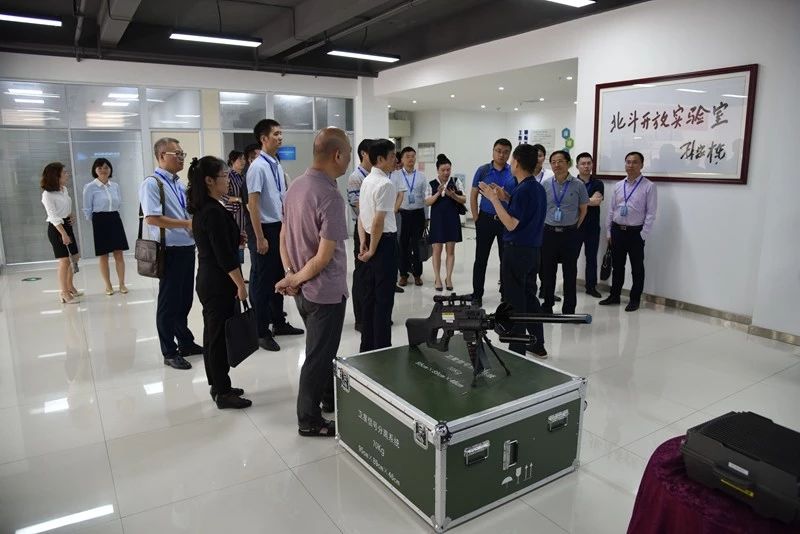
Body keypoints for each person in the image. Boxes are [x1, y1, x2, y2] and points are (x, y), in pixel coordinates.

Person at [276, 127, 351, 437]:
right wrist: (294, 277)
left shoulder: (296, 186)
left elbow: (283, 235)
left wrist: (290, 275)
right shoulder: (330, 196)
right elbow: (322, 258)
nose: (349, 159)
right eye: (348, 154)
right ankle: (308, 419)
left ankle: (327, 398)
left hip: (303, 291)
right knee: (318, 356)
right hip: (324, 292)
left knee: (320, 349)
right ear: (337, 155)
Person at [187, 156, 251, 409]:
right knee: (217, 338)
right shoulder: (212, 211)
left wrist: (236, 237)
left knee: (214, 336)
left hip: (210, 279)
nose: (228, 181)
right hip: (218, 282)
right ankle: (222, 392)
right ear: (209, 181)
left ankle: (219, 384)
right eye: (224, 176)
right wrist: (241, 285)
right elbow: (224, 257)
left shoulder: (208, 207)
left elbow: (220, 243)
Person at [478, 144, 547, 357]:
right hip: (533, 251)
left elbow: (510, 224)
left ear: (516, 162)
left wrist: (493, 199)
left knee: (515, 301)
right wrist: (506, 197)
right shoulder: (535, 187)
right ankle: (537, 343)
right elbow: (524, 212)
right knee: (530, 297)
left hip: (517, 251)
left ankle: (517, 351)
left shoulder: (524, 189)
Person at [139, 137, 201, 370]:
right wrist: (186, 224)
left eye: (182, 153)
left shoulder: (178, 183)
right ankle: (169, 351)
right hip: (169, 251)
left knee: (184, 300)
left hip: (186, 248)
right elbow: (152, 218)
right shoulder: (152, 184)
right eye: (178, 154)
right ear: (162, 156)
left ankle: (185, 342)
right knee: (168, 303)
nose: (182, 157)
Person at [246, 119, 304, 352]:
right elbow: (253, 204)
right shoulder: (257, 167)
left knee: (279, 277)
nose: (280, 137)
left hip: (279, 226)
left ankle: (279, 322)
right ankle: (261, 331)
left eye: (281, 133)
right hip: (265, 229)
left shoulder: (276, 164)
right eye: (276, 134)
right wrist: (259, 237)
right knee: (262, 283)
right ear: (264, 138)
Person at [600, 151, 657, 312]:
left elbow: (651, 213)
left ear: (641, 165)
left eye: (635, 162)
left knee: (637, 268)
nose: (631, 165)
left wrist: (643, 235)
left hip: (635, 233)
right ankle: (614, 296)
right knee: (617, 267)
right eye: (628, 162)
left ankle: (634, 299)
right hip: (617, 231)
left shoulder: (649, 186)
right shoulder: (619, 185)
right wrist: (609, 232)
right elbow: (611, 210)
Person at [357, 139, 399, 352]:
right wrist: (372, 249)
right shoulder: (385, 184)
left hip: (370, 239)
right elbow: (378, 221)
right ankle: (382, 349)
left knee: (370, 298)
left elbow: (361, 215)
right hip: (383, 244)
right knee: (383, 300)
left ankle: (367, 347)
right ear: (380, 159)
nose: (395, 160)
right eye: (392, 156)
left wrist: (363, 242)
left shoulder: (367, 180)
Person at [540, 151, 589, 315]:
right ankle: (547, 305)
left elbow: (583, 209)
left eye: (560, 161)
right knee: (548, 272)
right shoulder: (545, 184)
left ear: (568, 163)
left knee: (570, 272)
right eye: (553, 162)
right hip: (549, 233)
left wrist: (574, 227)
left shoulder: (578, 185)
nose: (556, 165)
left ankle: (569, 308)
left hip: (569, 234)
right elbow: (541, 208)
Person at [470, 138, 514, 306]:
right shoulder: (483, 170)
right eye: (498, 151)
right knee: (481, 259)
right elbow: (473, 195)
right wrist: (476, 218)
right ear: (493, 151)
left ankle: (505, 293)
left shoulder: (512, 172)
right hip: (485, 219)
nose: (501, 155)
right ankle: (477, 295)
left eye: (505, 152)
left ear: (509, 154)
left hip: (505, 221)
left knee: (506, 259)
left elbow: (514, 197)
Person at [81, 158, 129, 296]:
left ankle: (122, 284)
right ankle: (108, 285)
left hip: (114, 218)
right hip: (99, 220)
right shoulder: (90, 187)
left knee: (119, 253)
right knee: (103, 255)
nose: (103, 170)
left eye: (106, 167)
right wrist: (95, 221)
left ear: (110, 169)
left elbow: (118, 202)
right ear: (95, 170)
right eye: (100, 167)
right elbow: (87, 208)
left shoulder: (115, 186)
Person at [41, 162, 82, 304]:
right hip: (57, 228)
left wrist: (70, 215)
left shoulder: (63, 189)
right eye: (64, 172)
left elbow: (64, 208)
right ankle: (64, 292)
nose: (67, 174)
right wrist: (63, 234)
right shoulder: (47, 194)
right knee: (64, 260)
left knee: (75, 257)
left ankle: (70, 286)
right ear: (56, 176)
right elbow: (53, 216)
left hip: (66, 224)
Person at [425, 153, 465, 291]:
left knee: (450, 250)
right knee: (437, 250)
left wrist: (453, 195)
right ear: (437, 170)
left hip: (452, 219)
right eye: (443, 170)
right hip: (437, 220)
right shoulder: (431, 184)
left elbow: (464, 199)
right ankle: (437, 278)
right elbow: (427, 202)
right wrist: (438, 193)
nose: (446, 173)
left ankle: (448, 277)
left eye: (448, 169)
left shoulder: (456, 181)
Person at [346, 138, 373, 332]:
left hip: (375, 229)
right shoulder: (356, 177)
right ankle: (361, 319)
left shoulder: (375, 175)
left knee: (373, 275)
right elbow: (357, 206)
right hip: (363, 229)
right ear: (364, 153)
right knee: (362, 274)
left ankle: (372, 315)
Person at [395, 147, 428, 286]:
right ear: (402, 159)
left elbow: (426, 198)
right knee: (402, 245)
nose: (411, 159)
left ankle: (417, 274)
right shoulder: (395, 176)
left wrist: (426, 217)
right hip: (402, 214)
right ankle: (403, 274)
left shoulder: (421, 176)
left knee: (417, 245)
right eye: (407, 156)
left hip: (418, 214)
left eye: (413, 156)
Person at [575, 152, 604, 297]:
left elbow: (597, 201)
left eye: (589, 163)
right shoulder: (572, 182)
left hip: (592, 227)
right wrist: (589, 200)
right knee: (571, 257)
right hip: (575, 226)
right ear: (577, 166)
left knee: (591, 258)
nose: (586, 166)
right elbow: (589, 201)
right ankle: (569, 284)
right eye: (583, 164)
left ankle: (591, 287)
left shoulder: (598, 183)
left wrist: (578, 201)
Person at [223, 150, 248, 265]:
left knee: (241, 244)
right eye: (240, 159)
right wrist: (238, 199)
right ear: (232, 161)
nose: (243, 161)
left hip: (243, 215)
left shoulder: (243, 176)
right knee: (233, 243)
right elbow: (223, 196)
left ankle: (239, 269)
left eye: (244, 159)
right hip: (233, 214)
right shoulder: (228, 175)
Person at [388, 151, 408, 293]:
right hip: (379, 215)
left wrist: (394, 210)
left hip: (394, 215)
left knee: (394, 247)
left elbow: (401, 194)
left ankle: (393, 281)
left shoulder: (397, 175)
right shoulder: (378, 174)